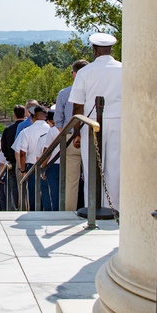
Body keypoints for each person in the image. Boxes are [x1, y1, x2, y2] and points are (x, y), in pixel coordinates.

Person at [70, 33, 122, 213]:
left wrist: (76, 133)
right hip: (118, 122)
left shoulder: (85, 72)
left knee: (93, 170)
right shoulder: (123, 69)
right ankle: (113, 210)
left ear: (94, 50)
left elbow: (78, 107)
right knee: (114, 170)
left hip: (91, 124)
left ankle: (92, 208)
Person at [54, 59, 89, 210]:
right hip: (91, 137)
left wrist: (67, 136)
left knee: (71, 181)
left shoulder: (64, 93)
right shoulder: (94, 91)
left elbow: (58, 121)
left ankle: (69, 212)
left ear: (74, 74)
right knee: (91, 178)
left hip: (70, 138)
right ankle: (92, 209)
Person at [12, 104, 60, 209]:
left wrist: (23, 170)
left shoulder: (26, 131)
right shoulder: (52, 129)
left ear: (33, 117)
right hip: (48, 165)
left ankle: (34, 214)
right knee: (48, 196)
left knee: (33, 196)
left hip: (32, 167)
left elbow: (22, 152)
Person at [0, 104, 27, 210]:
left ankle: (17, 206)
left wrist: (9, 157)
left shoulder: (8, 130)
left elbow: (3, 147)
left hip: (13, 163)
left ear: (14, 115)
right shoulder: (27, 127)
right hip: (25, 162)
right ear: (25, 114)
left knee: (14, 187)